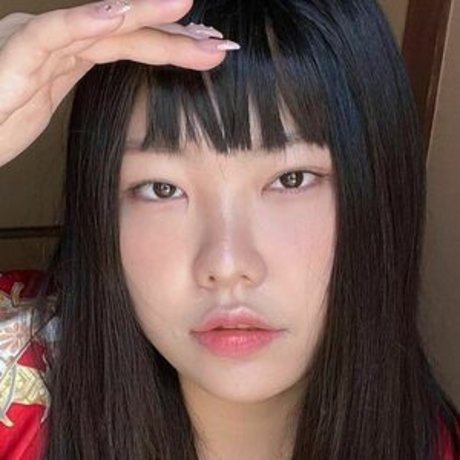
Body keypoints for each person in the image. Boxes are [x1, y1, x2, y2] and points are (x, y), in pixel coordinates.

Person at [0, 0, 459, 458]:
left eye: (291, 179)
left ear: (380, 189)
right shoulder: (15, 380)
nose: (226, 264)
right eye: (162, 189)